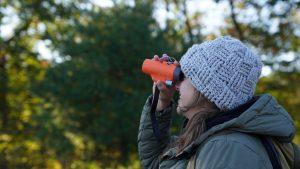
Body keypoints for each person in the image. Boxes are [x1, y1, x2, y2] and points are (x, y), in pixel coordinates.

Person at [138, 36, 300, 169]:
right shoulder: (210, 137)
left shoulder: (227, 149)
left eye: (184, 75)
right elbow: (156, 162)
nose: (177, 84)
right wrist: (161, 102)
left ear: (206, 89)